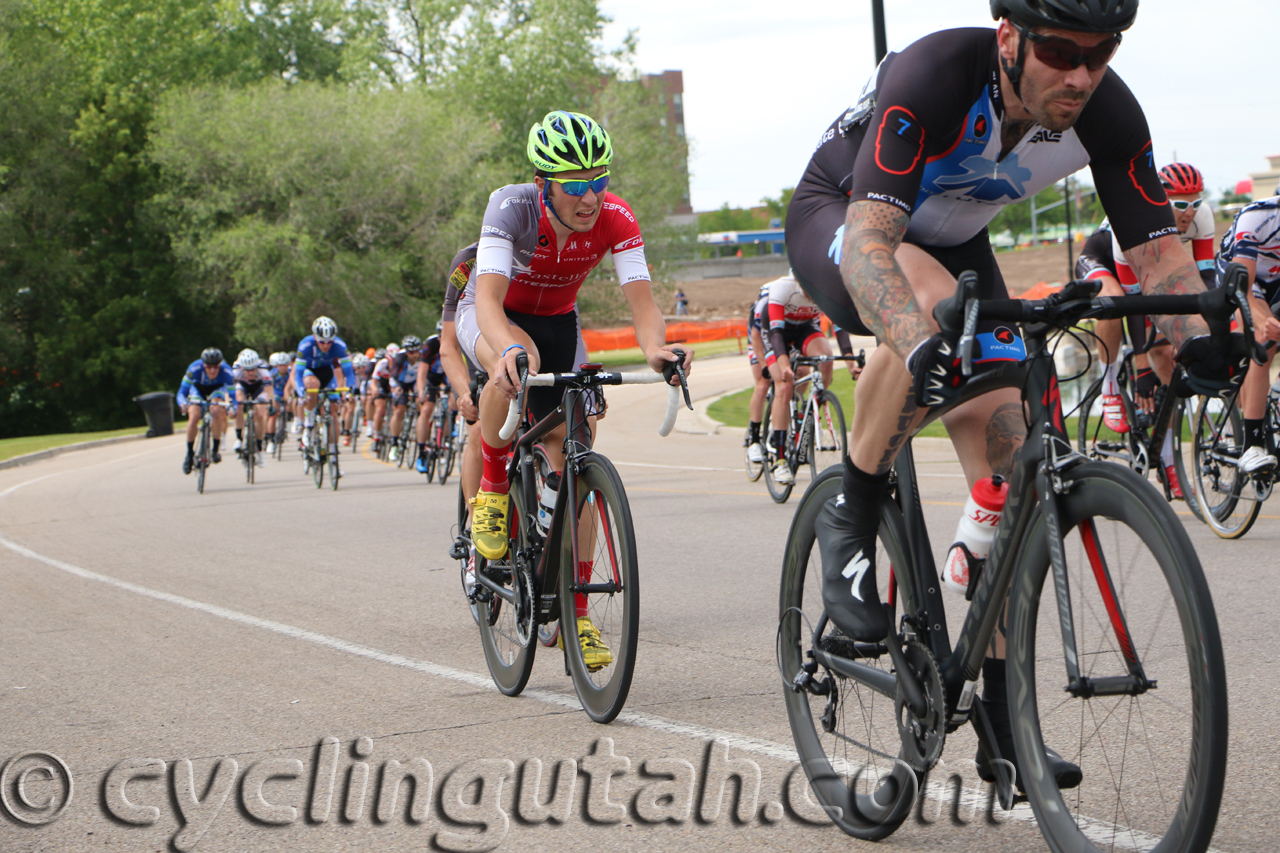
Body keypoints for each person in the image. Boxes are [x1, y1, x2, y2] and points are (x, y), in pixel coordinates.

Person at [784, 0, 1246, 791]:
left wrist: (1199, 333)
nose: (1081, 74)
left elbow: (1157, 251)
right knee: (927, 310)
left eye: (1100, 54)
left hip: (958, 242)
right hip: (848, 218)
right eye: (1062, 51)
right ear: (1009, 38)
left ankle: (1001, 717)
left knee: (1009, 466)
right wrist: (919, 340)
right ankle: (851, 509)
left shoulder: (1107, 106)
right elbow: (869, 249)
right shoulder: (933, 74)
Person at [455, 110, 693, 668]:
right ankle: (492, 489)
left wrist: (656, 349)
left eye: (600, 180)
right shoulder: (510, 207)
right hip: (497, 315)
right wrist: (506, 349)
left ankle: (576, 613)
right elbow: (486, 299)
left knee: (575, 457)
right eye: (576, 184)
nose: (590, 197)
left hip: (559, 320)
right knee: (516, 363)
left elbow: (643, 303)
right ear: (544, 185)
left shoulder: (615, 216)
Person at [1074, 161, 1218, 496]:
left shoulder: (1202, 218)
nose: (1190, 212)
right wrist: (1141, 369)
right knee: (1112, 304)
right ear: (1162, 199)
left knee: (1167, 357)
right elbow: (1134, 304)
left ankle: (1166, 460)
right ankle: (1110, 384)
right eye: (1181, 204)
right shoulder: (1133, 218)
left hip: (1150, 265)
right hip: (1105, 262)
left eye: (1196, 202)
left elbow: (1205, 280)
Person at [1217, 189, 1280, 472]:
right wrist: (1263, 319)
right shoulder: (1258, 216)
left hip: (1275, 280)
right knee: (1264, 338)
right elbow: (1245, 286)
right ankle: (1251, 445)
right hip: (1240, 277)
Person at [293, 316, 357, 451]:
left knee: (333, 413)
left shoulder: (340, 346)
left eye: (329, 342)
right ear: (315, 337)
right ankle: (309, 423)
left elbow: (349, 374)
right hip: (309, 371)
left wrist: (350, 392)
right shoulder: (305, 345)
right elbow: (298, 375)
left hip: (327, 372)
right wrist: (301, 393)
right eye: (322, 342)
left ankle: (333, 450)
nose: (326, 345)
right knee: (312, 384)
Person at [176, 347, 235, 474]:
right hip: (198, 389)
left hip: (217, 389)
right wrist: (182, 404)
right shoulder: (194, 369)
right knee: (194, 417)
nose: (212, 370)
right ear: (203, 365)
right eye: (209, 367)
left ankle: (215, 449)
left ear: (220, 365)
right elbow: (181, 392)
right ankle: (189, 454)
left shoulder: (227, 372)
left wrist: (232, 408)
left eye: (216, 367)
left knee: (217, 410)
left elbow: (233, 396)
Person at [231, 349, 271, 467]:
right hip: (243, 387)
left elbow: (269, 389)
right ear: (242, 367)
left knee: (260, 414)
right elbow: (229, 388)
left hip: (259, 388)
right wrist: (231, 404)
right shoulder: (235, 370)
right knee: (238, 403)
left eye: (253, 369)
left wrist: (270, 403)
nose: (250, 372)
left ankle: (259, 448)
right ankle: (239, 438)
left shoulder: (263, 369)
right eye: (247, 370)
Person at [266, 352, 293, 454]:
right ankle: (271, 440)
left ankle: (289, 421)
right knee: (274, 413)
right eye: (280, 365)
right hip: (275, 392)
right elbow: (269, 388)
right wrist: (271, 400)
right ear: (277, 365)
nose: (283, 368)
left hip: (287, 392)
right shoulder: (272, 374)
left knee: (291, 403)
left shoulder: (290, 373)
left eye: (285, 365)